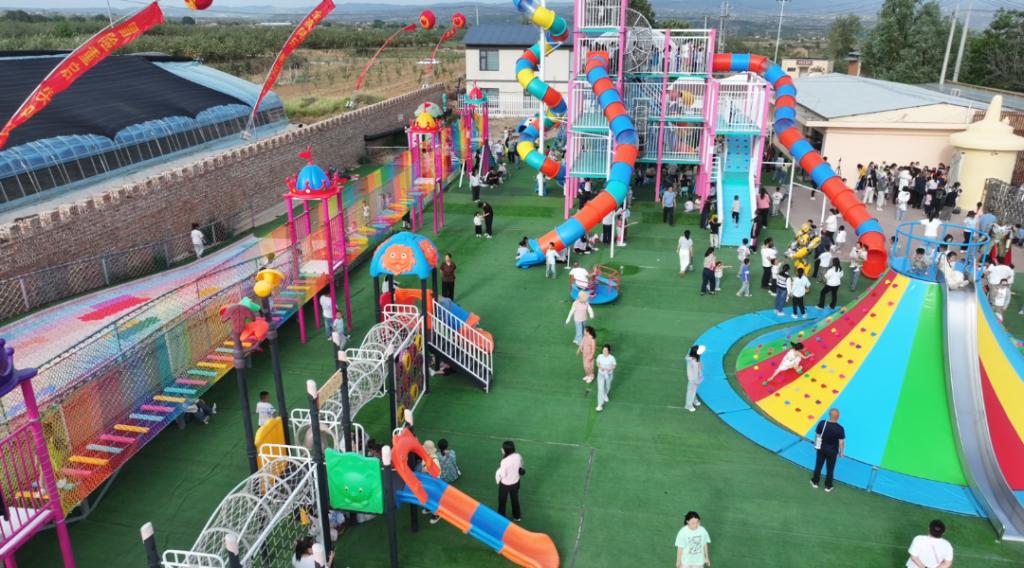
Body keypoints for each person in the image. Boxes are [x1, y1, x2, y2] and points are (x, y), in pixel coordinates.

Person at [810, 408, 846, 492]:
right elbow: (841, 442)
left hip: (821, 449)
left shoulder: (822, 423)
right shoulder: (840, 428)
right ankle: (828, 486)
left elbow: (817, 435)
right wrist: (841, 452)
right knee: (830, 469)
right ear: (838, 417)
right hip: (832, 452)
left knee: (818, 466)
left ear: (829, 415)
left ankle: (815, 482)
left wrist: (816, 446)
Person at [495, 440, 523, 521]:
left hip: (505, 485)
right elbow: (521, 466)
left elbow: (502, 474)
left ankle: (501, 518)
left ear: (505, 450)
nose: (501, 449)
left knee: (502, 501)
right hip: (515, 482)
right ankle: (517, 516)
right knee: (515, 499)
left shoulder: (504, 461)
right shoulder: (518, 456)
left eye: (502, 448)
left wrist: (498, 477)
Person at [595, 344, 616, 412]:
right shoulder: (600, 356)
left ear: (609, 351)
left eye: (606, 350)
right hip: (601, 374)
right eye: (603, 350)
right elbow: (597, 363)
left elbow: (614, 365)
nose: (604, 351)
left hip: (609, 374)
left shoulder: (612, 358)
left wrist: (609, 369)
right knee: (600, 389)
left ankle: (605, 394)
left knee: (608, 386)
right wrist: (600, 367)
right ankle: (600, 405)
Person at [684, 345, 705, 412]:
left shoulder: (690, 358)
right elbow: (696, 373)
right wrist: (697, 381)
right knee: (691, 392)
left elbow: (687, 356)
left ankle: (694, 400)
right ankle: (688, 405)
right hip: (694, 379)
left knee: (693, 390)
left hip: (693, 378)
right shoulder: (694, 362)